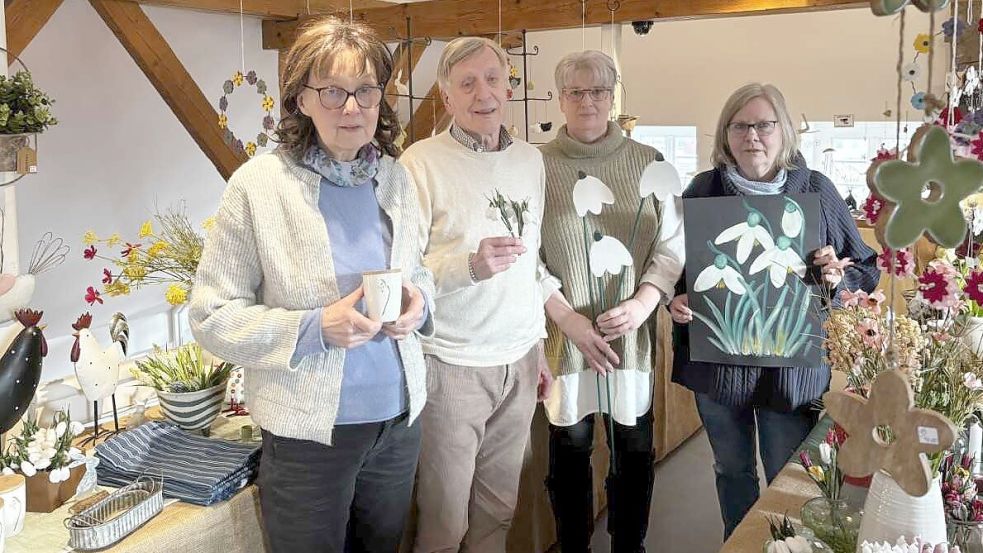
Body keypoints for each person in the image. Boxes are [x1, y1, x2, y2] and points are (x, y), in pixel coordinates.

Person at [189, 17, 435, 553]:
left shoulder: (393, 178)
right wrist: (314, 327)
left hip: (398, 422)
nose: (352, 107)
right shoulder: (259, 187)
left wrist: (420, 306)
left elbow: (419, 274)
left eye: (365, 90)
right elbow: (211, 317)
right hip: (308, 435)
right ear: (301, 99)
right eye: (332, 91)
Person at [669, 82, 879, 539]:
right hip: (720, 371)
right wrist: (676, 299)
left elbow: (865, 266)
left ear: (783, 131)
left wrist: (836, 278)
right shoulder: (703, 191)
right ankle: (739, 544)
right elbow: (674, 268)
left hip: (791, 371)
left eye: (764, 124)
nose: (752, 136)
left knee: (789, 474)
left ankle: (787, 547)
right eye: (740, 126)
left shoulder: (816, 191)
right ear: (726, 135)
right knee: (731, 470)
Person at [399, 36, 557, 553]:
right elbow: (402, 273)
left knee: (498, 514)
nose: (482, 93)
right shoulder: (418, 164)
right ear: (446, 97)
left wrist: (537, 345)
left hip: (519, 361)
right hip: (450, 365)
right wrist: (469, 266)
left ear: (509, 86)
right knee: (445, 524)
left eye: (492, 79)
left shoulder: (531, 160)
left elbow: (530, 264)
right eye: (466, 84)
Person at [538, 50, 684, 553]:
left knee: (633, 451)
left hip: (630, 338)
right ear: (560, 98)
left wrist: (645, 301)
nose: (588, 101)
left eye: (599, 91)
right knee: (569, 454)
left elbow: (671, 245)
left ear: (613, 96)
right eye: (576, 91)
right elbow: (524, 256)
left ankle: (629, 546)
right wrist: (565, 316)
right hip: (564, 339)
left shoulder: (651, 164)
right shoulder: (534, 166)